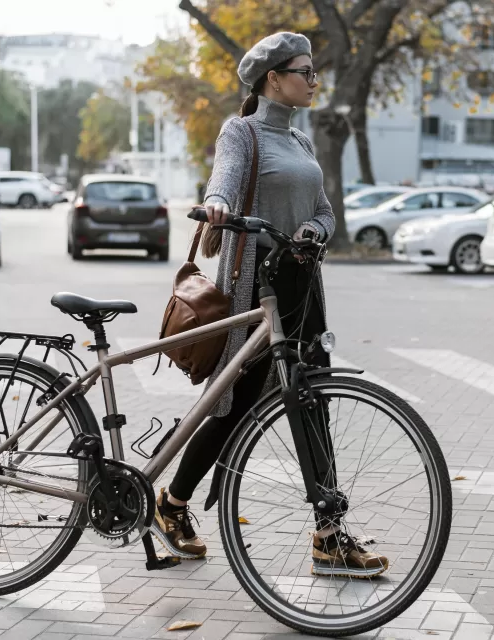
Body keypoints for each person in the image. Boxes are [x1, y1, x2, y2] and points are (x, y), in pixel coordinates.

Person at [152, 32, 389, 577]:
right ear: (273, 80)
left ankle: (329, 536)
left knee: (314, 404)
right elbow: (225, 178)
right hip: (255, 289)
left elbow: (327, 213)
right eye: (304, 72)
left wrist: (313, 228)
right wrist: (215, 204)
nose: (313, 80)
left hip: (302, 291)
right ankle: (173, 503)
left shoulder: (303, 144)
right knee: (232, 409)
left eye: (312, 71)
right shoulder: (243, 131)